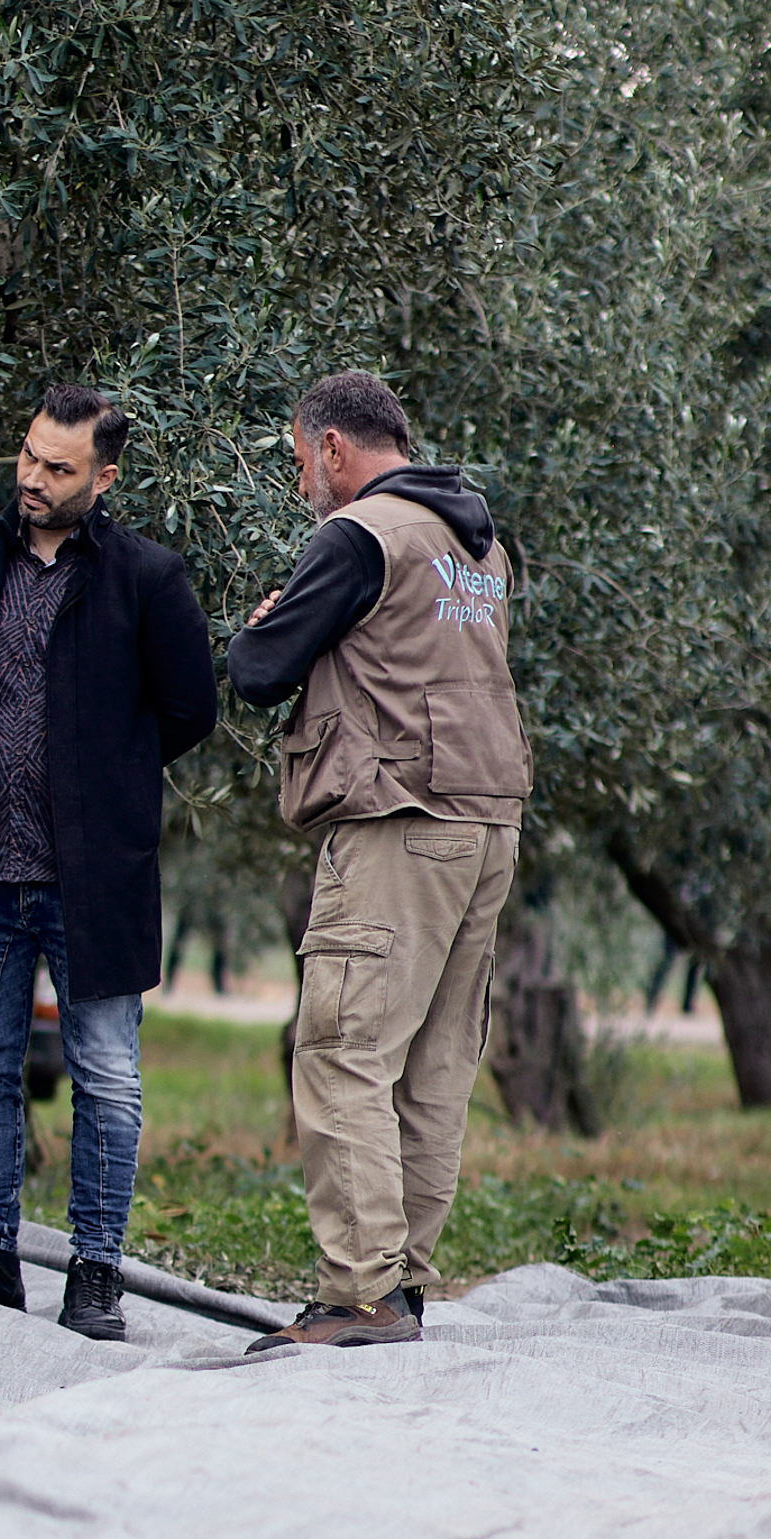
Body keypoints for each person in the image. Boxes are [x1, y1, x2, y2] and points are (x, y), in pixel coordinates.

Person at [224, 369, 530, 1350]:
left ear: (331, 449)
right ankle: (401, 1287)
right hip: (487, 823)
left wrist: (270, 621)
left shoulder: (360, 534)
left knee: (345, 1048)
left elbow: (257, 672)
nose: (301, 480)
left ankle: (357, 1293)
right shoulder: (477, 545)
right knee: (433, 1067)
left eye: (298, 460)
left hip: (399, 819)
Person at [0, 382, 216, 1339]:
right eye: (27, 457)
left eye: (58, 469)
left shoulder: (147, 576)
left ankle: (95, 1271)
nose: (33, 480)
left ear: (104, 476)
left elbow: (190, 710)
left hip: (96, 877)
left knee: (107, 1075)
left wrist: (109, 781)